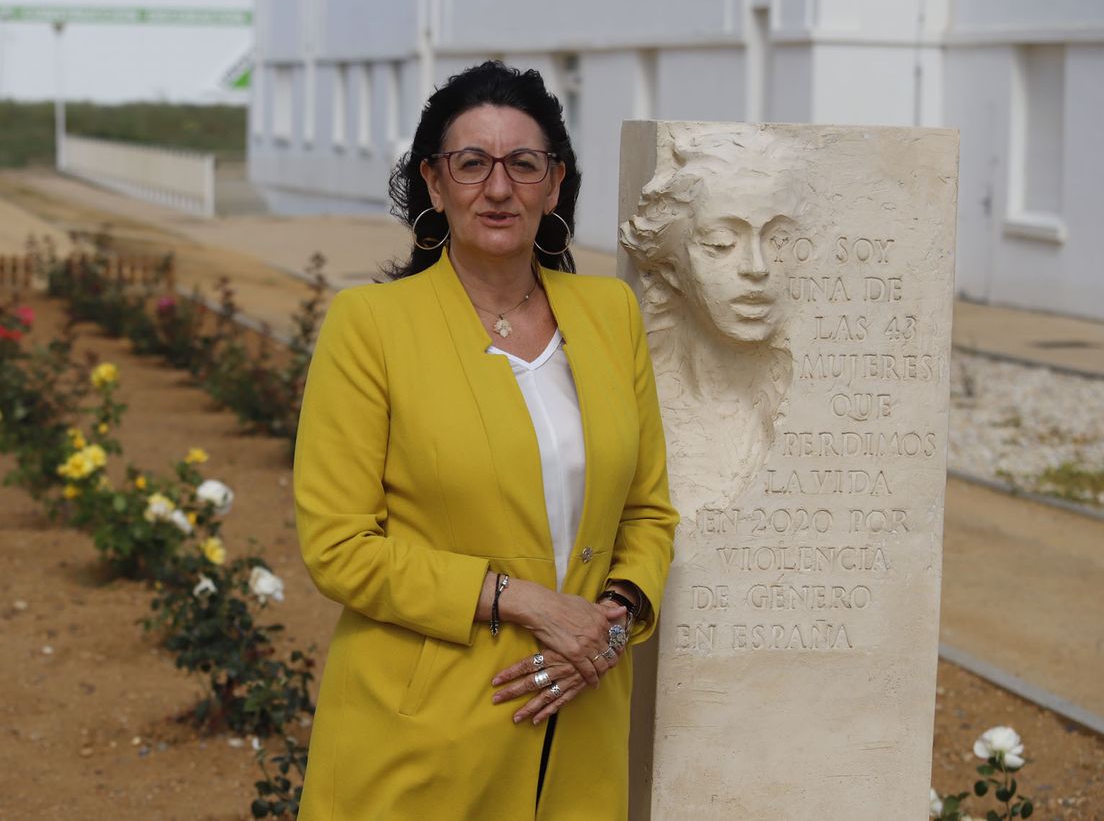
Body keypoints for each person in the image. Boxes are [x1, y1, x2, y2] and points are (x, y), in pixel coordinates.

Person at [293, 61, 679, 820]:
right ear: (435, 184)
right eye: (472, 163)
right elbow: (338, 544)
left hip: (582, 714)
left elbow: (648, 512)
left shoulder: (611, 315)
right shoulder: (370, 328)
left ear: (556, 183)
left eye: (523, 164)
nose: (498, 189)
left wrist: (609, 624)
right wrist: (531, 603)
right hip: (424, 730)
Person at [619, 128, 809, 515]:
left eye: (780, 241)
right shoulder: (637, 407)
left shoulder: (808, 406)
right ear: (671, 268)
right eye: (721, 243)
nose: (757, 268)